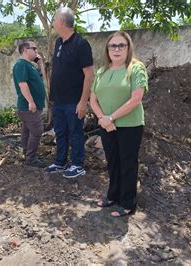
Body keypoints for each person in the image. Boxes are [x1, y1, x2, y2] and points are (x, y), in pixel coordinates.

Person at [89, 31, 148, 217]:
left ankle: (128, 203)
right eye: (112, 46)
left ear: (128, 47)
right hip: (106, 125)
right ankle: (113, 196)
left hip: (130, 125)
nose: (116, 49)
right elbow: (93, 99)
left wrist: (111, 117)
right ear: (107, 49)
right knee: (113, 162)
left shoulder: (136, 68)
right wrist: (103, 120)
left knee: (127, 163)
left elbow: (136, 99)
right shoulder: (101, 71)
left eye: (121, 45)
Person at [44, 7, 94, 178]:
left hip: (74, 101)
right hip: (58, 101)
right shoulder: (59, 42)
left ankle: (78, 164)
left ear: (62, 22)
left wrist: (83, 102)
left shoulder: (81, 44)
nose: (52, 23)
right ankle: (60, 162)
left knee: (75, 133)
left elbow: (89, 75)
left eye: (53, 20)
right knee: (60, 132)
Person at [12, 40, 47, 167]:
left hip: (32, 105)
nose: (37, 51)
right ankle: (31, 159)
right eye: (34, 48)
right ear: (26, 50)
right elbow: (22, 84)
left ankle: (27, 155)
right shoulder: (21, 65)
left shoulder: (30, 65)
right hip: (28, 106)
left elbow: (41, 77)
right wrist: (31, 102)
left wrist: (40, 64)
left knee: (27, 131)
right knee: (37, 130)